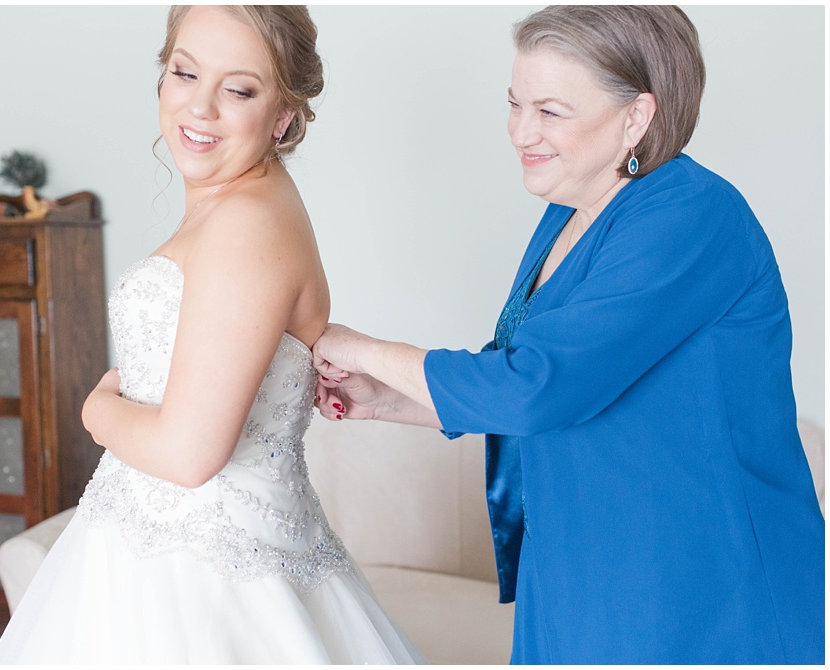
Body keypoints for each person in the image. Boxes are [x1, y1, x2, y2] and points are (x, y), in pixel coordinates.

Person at [312, 5, 824, 665]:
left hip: (700, 591)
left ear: (637, 116)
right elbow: (518, 375)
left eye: (551, 111)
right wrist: (383, 398)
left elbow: (533, 388)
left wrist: (356, 345)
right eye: (515, 103)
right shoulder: (570, 207)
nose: (521, 130)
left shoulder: (694, 215)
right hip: (581, 572)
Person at [0, 6, 422, 664]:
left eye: (239, 88)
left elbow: (191, 456)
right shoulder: (249, 202)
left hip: (202, 582)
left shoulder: (246, 222)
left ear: (283, 115)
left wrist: (96, 409)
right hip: (147, 552)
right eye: (184, 72)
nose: (199, 107)